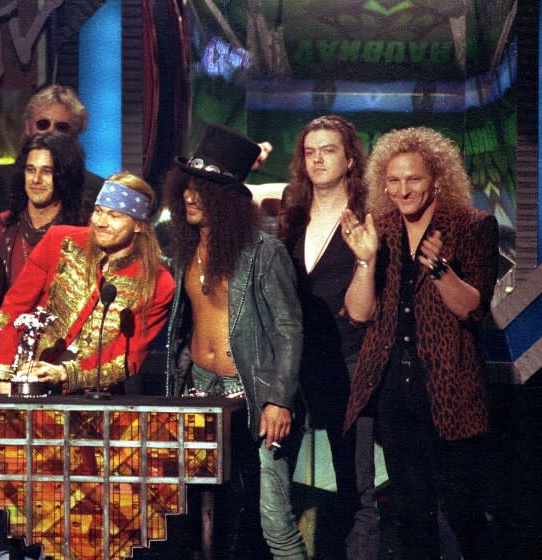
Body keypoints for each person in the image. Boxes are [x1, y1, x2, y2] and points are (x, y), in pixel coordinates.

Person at [341, 127, 501, 560]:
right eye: (393, 180)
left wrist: (440, 270)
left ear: (436, 180)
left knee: (463, 510)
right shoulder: (383, 231)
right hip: (394, 388)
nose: (402, 189)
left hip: (451, 387)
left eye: (413, 179)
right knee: (411, 511)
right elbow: (358, 315)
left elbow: (473, 309)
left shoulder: (472, 226)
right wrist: (366, 259)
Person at [164, 124, 307, 559]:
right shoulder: (185, 252)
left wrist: (280, 399)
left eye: (202, 189)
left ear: (226, 197)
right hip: (199, 392)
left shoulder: (263, 252)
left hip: (257, 395)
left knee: (274, 522)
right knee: (196, 518)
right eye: (187, 186)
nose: (190, 196)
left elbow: (289, 328)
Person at [279, 115, 379, 559]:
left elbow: (365, 311)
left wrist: (364, 261)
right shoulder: (292, 212)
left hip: (350, 362)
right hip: (295, 365)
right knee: (273, 483)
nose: (317, 159)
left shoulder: (369, 216)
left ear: (350, 157)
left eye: (329, 150)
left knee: (356, 488)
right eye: (310, 151)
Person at [0, 171, 175, 394]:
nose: (101, 222)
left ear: (139, 226)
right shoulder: (59, 241)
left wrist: (64, 373)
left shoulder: (159, 282)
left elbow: (128, 359)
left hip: (97, 397)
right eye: (98, 211)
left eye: (114, 216)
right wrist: (4, 376)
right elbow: (13, 309)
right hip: (28, 382)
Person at [0, 131, 86, 322]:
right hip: (0, 342)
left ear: (64, 177)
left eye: (47, 171)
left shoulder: (83, 234)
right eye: (30, 170)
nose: (36, 179)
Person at [0, 84, 103, 226]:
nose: (51, 132)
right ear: (28, 127)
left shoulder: (95, 188)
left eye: (61, 127)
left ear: (75, 133)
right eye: (43, 124)